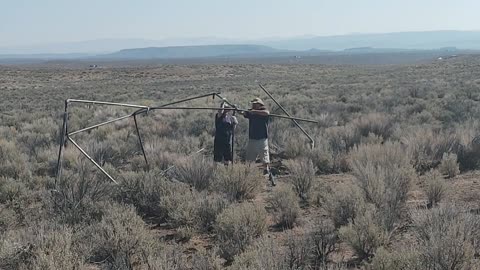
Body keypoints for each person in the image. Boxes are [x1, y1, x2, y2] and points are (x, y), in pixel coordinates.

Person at [239, 98, 275, 185]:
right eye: (253, 104)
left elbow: (267, 113)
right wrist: (238, 110)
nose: (254, 105)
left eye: (255, 104)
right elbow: (243, 113)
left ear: (260, 104)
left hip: (262, 139)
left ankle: (268, 174)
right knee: (249, 160)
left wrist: (254, 111)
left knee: (265, 159)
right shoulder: (251, 112)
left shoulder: (263, 111)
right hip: (252, 139)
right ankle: (247, 177)